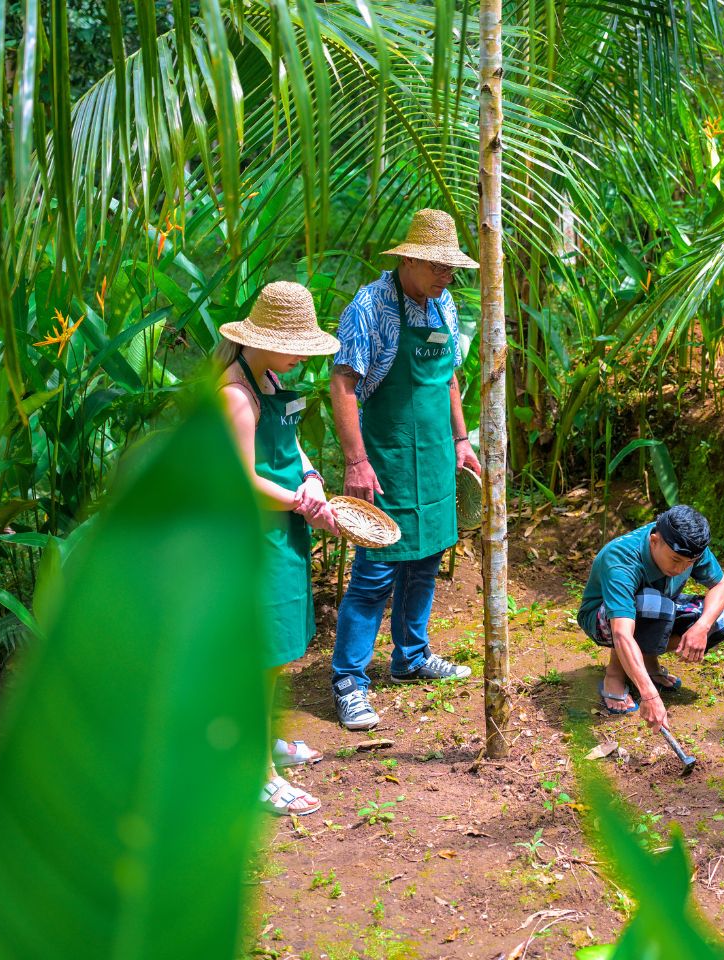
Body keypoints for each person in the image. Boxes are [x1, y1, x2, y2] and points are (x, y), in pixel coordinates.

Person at [329, 209, 482, 731]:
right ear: (411, 259)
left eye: (452, 268)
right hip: (387, 460)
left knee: (426, 561)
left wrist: (461, 440)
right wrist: (357, 461)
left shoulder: (444, 303)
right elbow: (343, 383)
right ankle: (349, 679)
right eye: (440, 266)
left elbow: (450, 379)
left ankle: (410, 657)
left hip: (438, 456)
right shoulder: (370, 307)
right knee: (375, 572)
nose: (448, 276)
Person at [216, 281, 342, 816]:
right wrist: (298, 501)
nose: (302, 356)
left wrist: (311, 476)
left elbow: (290, 444)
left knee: (277, 648)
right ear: (264, 340)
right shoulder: (235, 395)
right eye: (297, 345)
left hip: (285, 527)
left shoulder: (269, 377)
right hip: (252, 540)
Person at [578, 505, 724, 732]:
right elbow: (621, 632)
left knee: (720, 620)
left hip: (656, 604)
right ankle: (614, 675)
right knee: (651, 604)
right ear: (654, 540)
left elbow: (722, 586)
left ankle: (648, 664)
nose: (681, 568)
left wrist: (701, 626)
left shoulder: (690, 546)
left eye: (689, 563)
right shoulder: (622, 558)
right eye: (675, 560)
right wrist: (649, 695)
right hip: (602, 618)